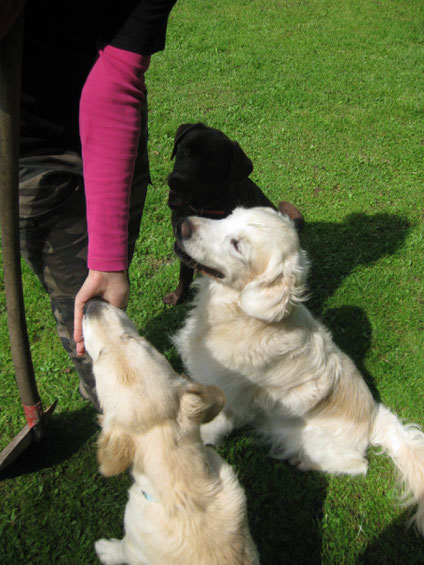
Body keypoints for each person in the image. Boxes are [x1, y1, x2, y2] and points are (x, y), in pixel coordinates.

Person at [1, 1, 177, 410]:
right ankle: (120, 411)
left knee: (101, 296)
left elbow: (117, 77)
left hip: (111, 124)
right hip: (24, 147)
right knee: (85, 317)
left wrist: (108, 260)